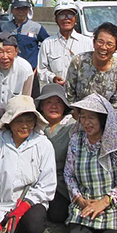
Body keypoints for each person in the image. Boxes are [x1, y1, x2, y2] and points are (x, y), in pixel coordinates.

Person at [0, 95, 56, 233]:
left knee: (34, 224)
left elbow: (47, 184)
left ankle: (22, 231)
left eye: (29, 121)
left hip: (29, 204)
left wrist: (25, 205)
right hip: (2, 203)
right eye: (19, 121)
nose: (24, 125)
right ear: (9, 122)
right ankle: (5, 226)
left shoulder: (43, 144)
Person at [63, 94, 117, 233]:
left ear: (103, 119)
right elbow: (68, 174)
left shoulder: (116, 145)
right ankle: (92, 230)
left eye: (92, 117)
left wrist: (105, 201)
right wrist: (79, 199)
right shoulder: (76, 140)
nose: (86, 122)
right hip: (85, 203)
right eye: (83, 117)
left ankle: (106, 231)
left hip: (113, 207)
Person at [65, 22, 117, 123]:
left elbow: (116, 104)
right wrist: (79, 118)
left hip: (105, 121)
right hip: (78, 118)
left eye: (109, 44)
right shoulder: (79, 61)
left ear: (116, 47)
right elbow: (69, 93)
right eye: (100, 42)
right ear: (94, 43)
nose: (103, 47)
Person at [35, 84, 75, 224]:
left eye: (58, 102)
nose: (54, 106)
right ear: (41, 106)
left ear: (64, 106)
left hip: (61, 182)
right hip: (36, 180)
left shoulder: (73, 126)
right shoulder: (34, 126)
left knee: (57, 215)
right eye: (49, 102)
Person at [37, 0, 93, 88]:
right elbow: (42, 70)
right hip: (57, 93)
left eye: (70, 15)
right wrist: (53, 78)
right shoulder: (47, 44)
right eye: (62, 15)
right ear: (56, 19)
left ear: (75, 18)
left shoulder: (87, 43)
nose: (66, 19)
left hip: (80, 93)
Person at [0, 0, 50, 71]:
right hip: (9, 71)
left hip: (31, 72)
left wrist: (39, 66)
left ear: (29, 10)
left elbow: (48, 46)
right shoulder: (4, 28)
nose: (21, 11)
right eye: (18, 8)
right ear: (12, 9)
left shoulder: (37, 28)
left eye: (24, 8)